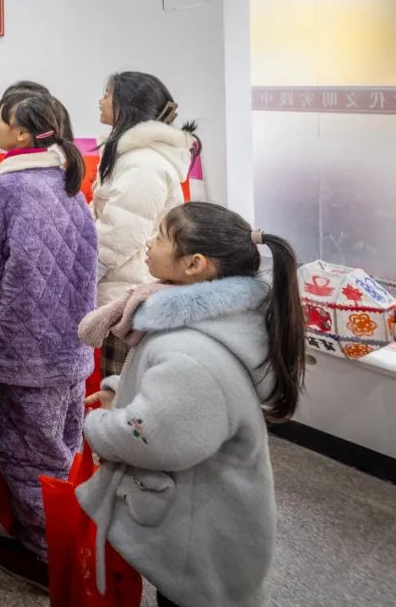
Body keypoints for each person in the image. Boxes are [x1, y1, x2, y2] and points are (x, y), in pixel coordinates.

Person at [77, 202, 306, 607]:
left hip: (201, 545)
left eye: (161, 236)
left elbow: (152, 436)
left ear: (195, 264)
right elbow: (172, 399)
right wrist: (120, 392)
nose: (148, 243)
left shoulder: (193, 353)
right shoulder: (205, 322)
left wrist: (98, 424)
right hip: (200, 520)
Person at [0, 92, 97, 589]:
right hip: (73, 343)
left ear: (22, 134)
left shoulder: (7, 189)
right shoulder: (68, 183)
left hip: (25, 347)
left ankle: (46, 556)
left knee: (27, 454)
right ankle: (70, 543)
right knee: (63, 448)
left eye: (1, 119)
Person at [93, 71, 199, 376]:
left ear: (127, 106)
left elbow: (120, 235)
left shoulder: (143, 164)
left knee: (122, 389)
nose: (100, 101)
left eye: (108, 95)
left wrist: (86, 274)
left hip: (130, 296)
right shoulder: (134, 156)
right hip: (126, 290)